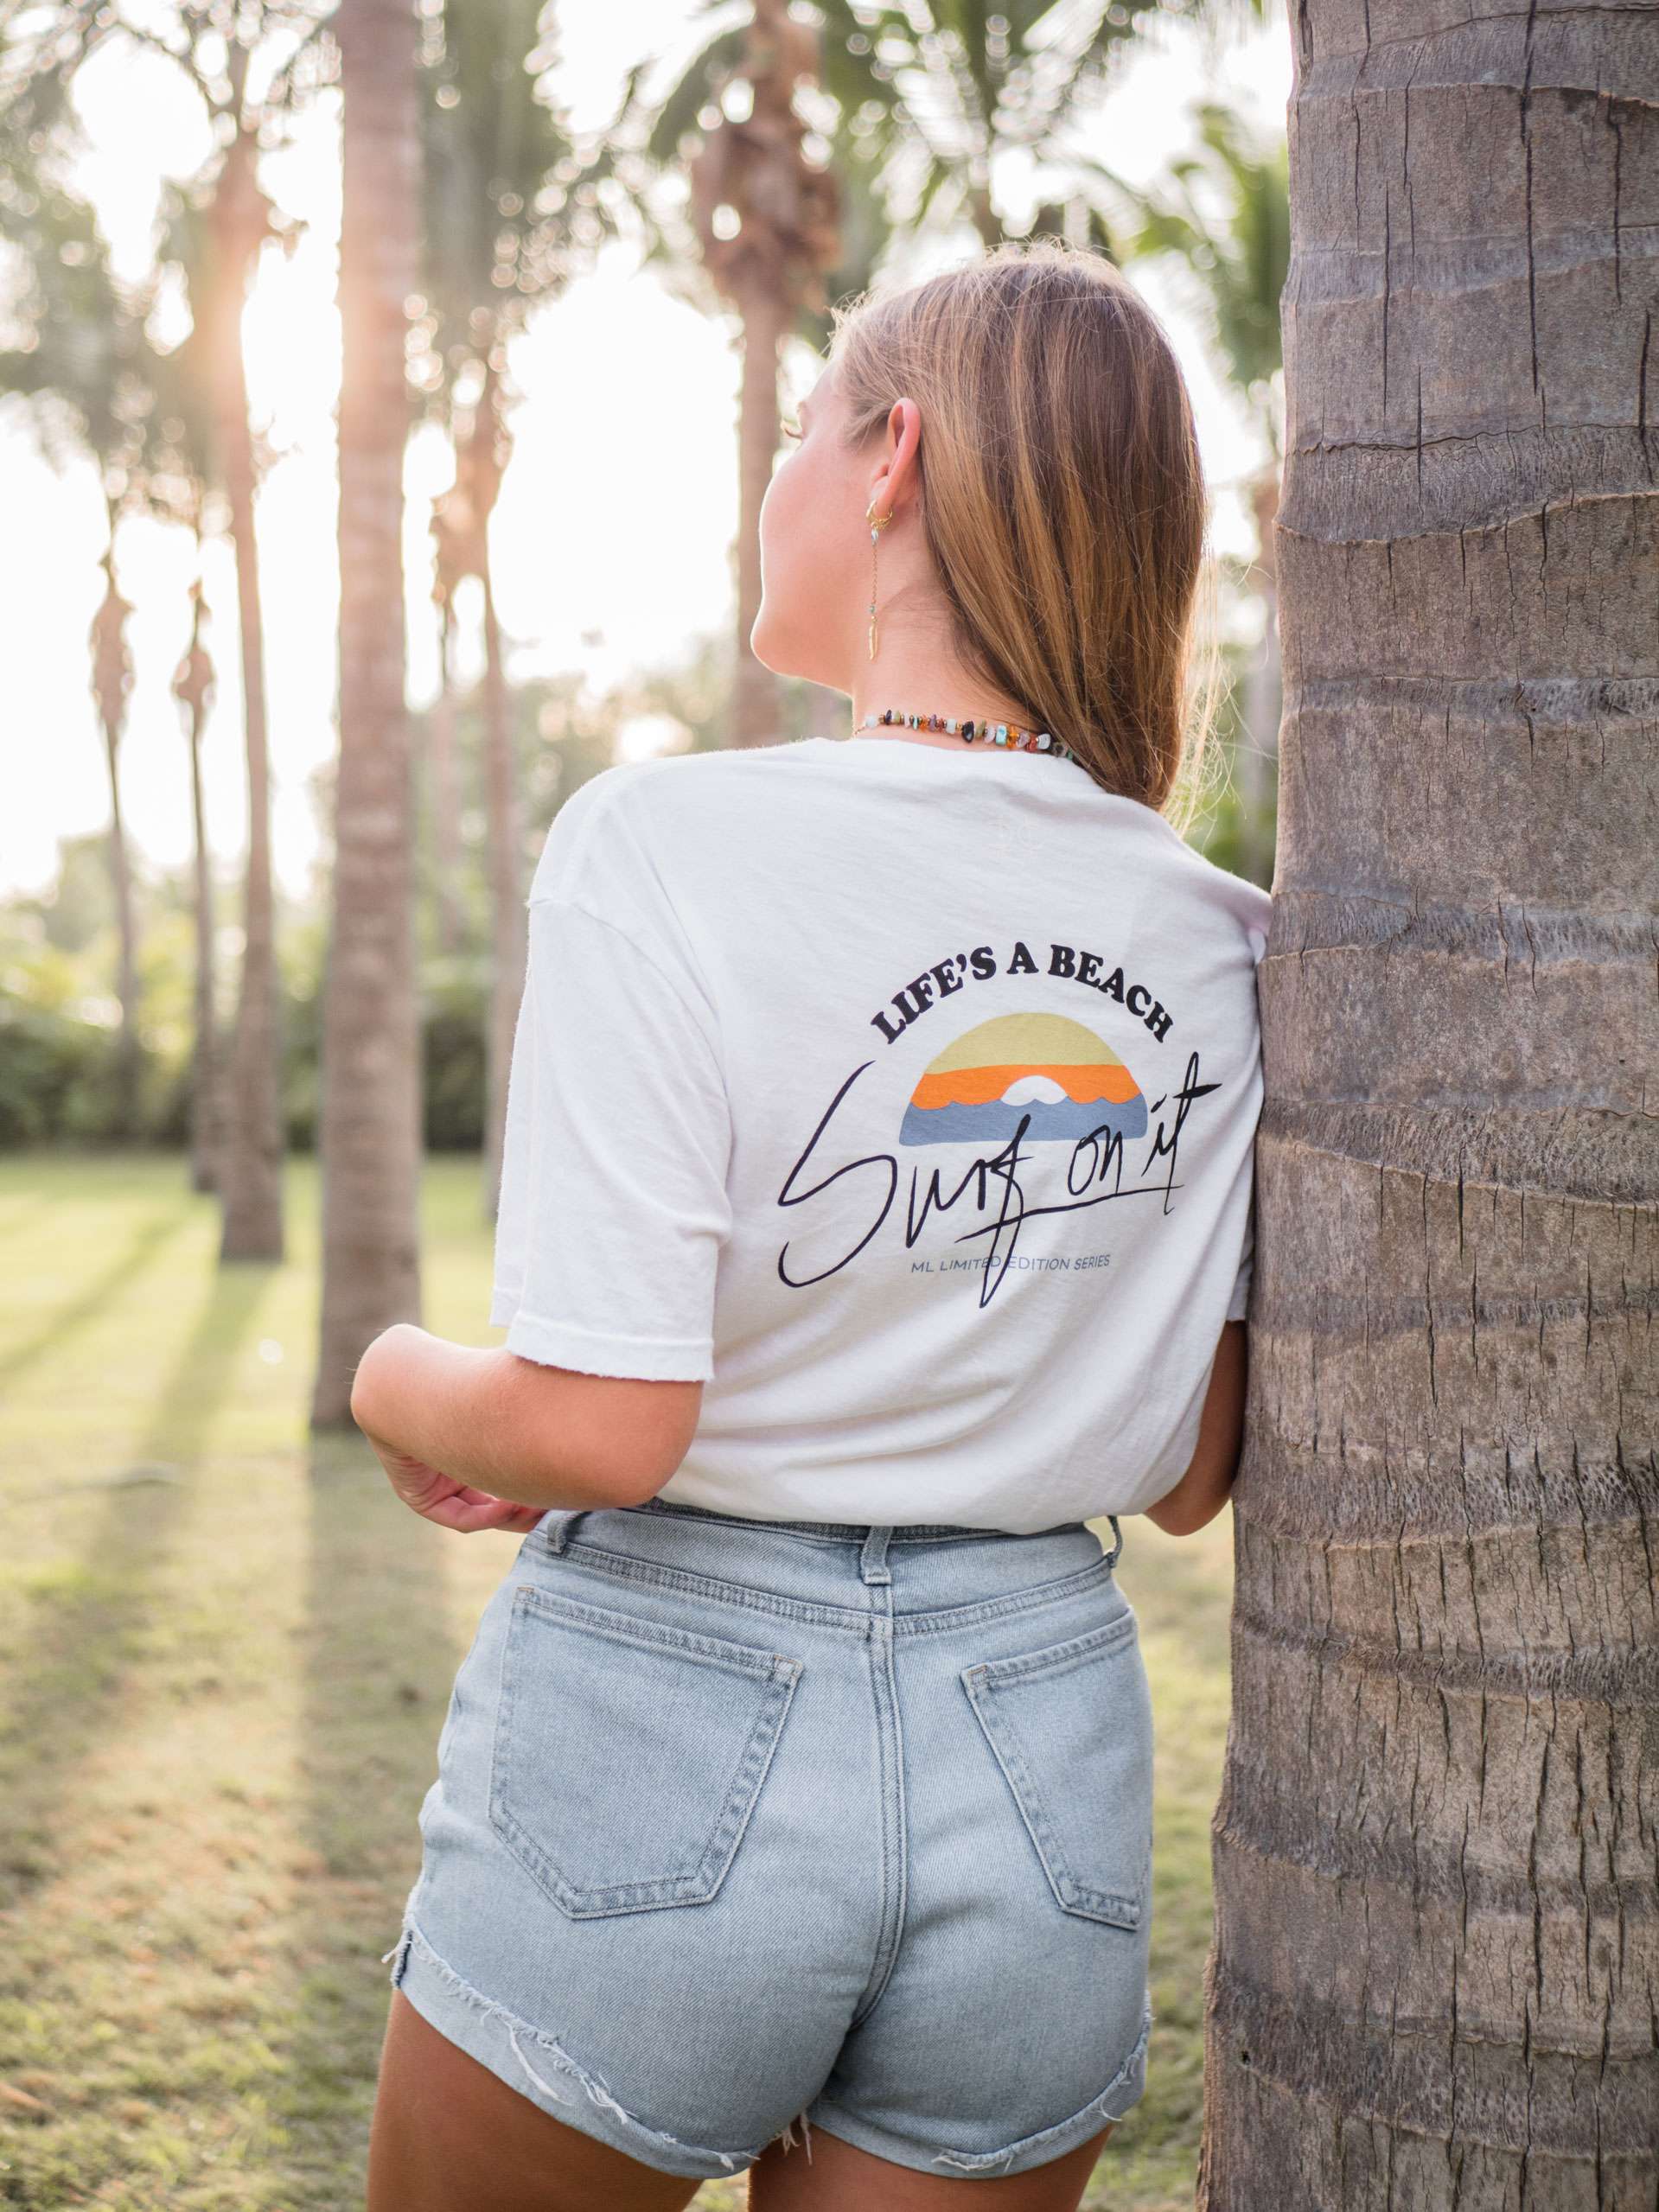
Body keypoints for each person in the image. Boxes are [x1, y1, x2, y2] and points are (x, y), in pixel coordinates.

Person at [352, 245, 1272, 2212]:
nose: (780, 469)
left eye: (801, 426)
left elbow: (604, 1426)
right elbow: (1194, 1465)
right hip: (1042, 1751)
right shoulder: (1222, 938)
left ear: (892, 458)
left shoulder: (661, 845)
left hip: (669, 1717)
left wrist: (393, 1377)